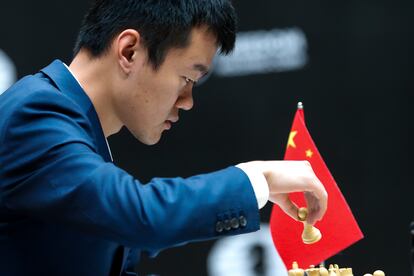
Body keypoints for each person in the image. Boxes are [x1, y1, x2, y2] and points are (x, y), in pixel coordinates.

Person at [0, 0, 328, 275]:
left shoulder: (72, 122)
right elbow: (142, 216)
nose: (188, 101)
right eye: (186, 78)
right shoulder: (35, 114)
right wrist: (259, 179)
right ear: (129, 51)